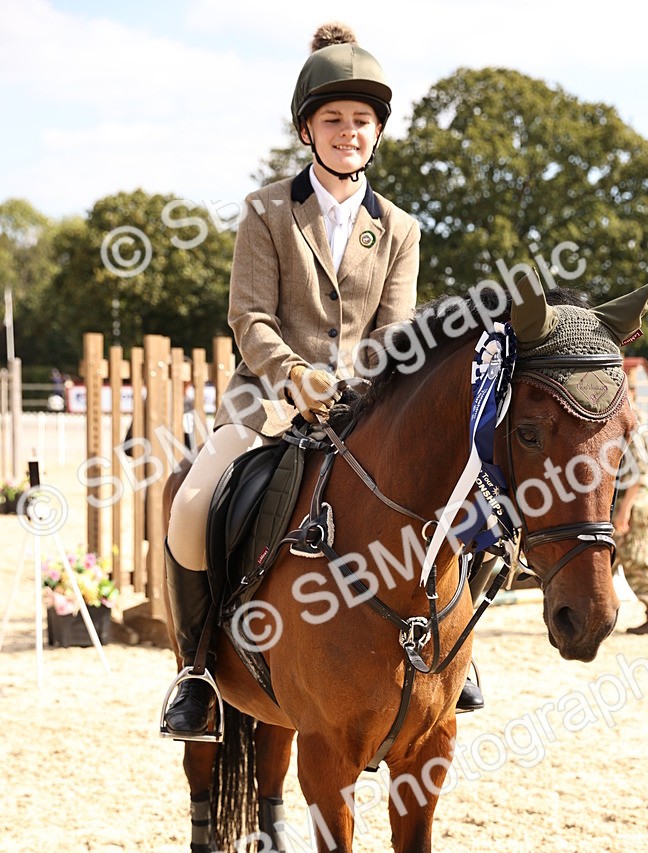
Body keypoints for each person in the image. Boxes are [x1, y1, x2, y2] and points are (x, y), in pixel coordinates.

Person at [162, 23, 434, 739]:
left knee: (437, 493)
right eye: (334, 120)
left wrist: (358, 382)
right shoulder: (267, 210)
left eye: (362, 122)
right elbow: (248, 316)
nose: (349, 132)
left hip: (363, 406)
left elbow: (394, 330)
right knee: (192, 505)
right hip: (267, 400)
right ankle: (197, 672)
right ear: (308, 129)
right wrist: (294, 375)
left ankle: (445, 653)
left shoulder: (400, 228)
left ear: (378, 134)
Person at [613, 371, 648, 635]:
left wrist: (623, 512)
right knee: (608, 560)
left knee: (634, 561)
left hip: (630, 502)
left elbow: (639, 471)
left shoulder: (632, 420)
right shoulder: (629, 418)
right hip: (626, 501)